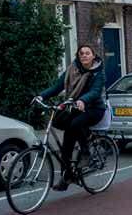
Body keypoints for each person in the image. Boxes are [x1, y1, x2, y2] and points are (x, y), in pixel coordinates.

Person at [39, 44, 106, 191]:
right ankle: (67, 177)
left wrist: (83, 100)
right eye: (81, 53)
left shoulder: (97, 73)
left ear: (93, 56)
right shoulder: (72, 69)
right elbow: (58, 86)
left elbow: (95, 92)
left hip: (94, 109)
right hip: (75, 108)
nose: (84, 55)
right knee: (65, 147)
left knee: (76, 124)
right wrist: (41, 96)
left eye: (87, 53)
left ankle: (86, 152)